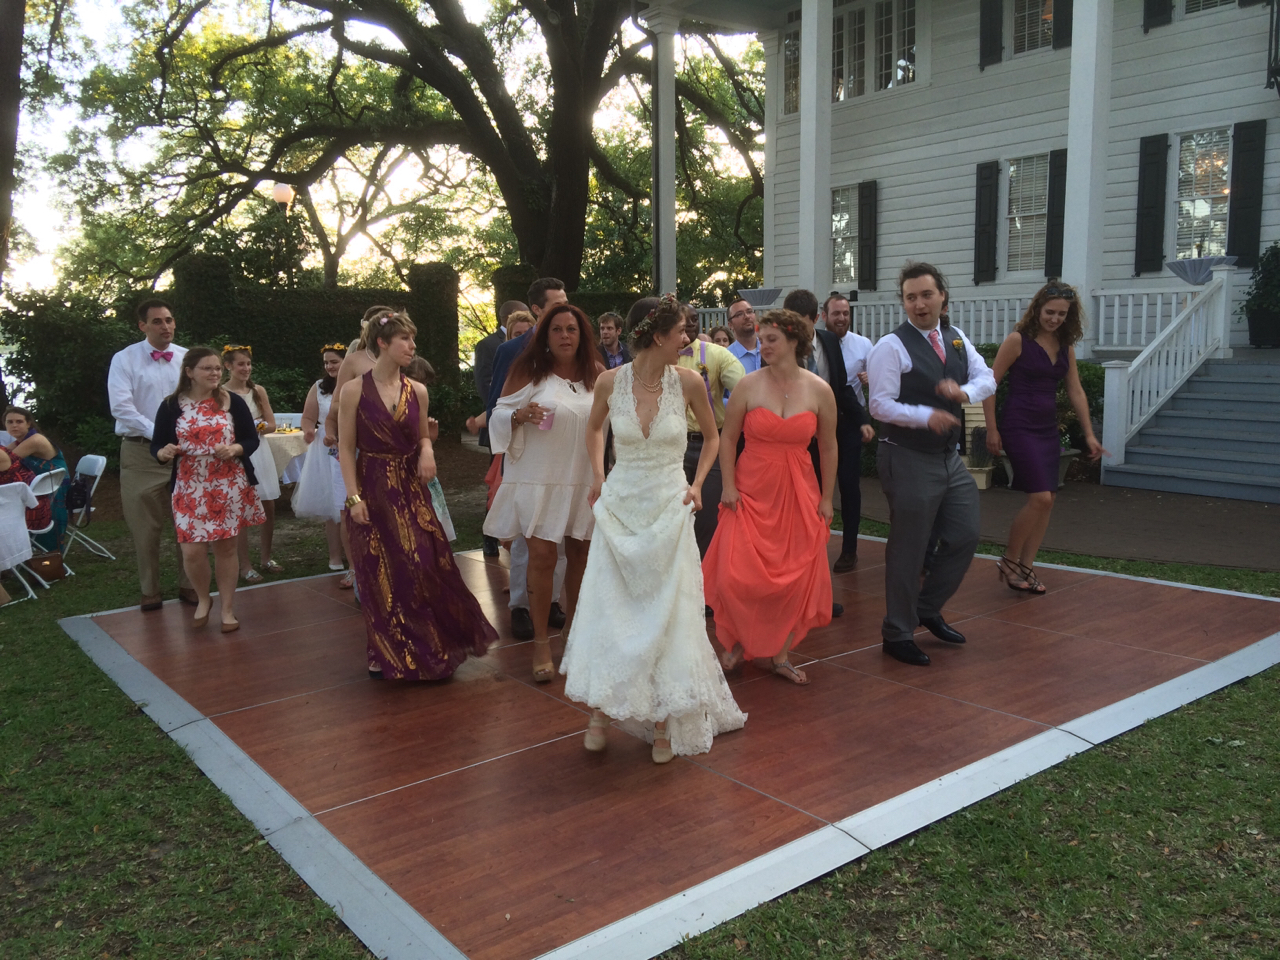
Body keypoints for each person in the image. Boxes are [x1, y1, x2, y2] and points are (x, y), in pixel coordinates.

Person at [561, 293, 746, 762]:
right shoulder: (608, 382)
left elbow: (712, 436)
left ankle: (665, 716)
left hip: (669, 502)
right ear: (656, 334)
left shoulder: (688, 382)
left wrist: (699, 483)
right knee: (614, 607)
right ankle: (601, 710)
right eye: (681, 331)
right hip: (620, 504)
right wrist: (599, 475)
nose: (688, 338)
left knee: (667, 611)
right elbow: (594, 429)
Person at [338, 310, 496, 679]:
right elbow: (347, 448)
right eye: (404, 340)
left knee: (424, 563)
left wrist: (427, 449)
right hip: (372, 486)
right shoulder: (354, 390)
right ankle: (385, 648)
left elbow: (423, 434)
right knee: (380, 570)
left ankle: (429, 643)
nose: (412, 347)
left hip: (410, 488)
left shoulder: (417, 391)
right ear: (382, 343)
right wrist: (353, 498)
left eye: (413, 340)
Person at [868, 262, 996, 667]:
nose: (919, 304)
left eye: (926, 295)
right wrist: (927, 415)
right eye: (910, 297)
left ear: (943, 297)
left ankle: (927, 607)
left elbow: (988, 378)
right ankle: (897, 632)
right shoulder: (891, 346)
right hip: (907, 456)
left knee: (965, 535)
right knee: (910, 548)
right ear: (903, 302)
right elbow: (879, 404)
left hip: (948, 458)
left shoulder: (956, 339)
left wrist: (964, 392)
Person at [703, 309, 837, 685]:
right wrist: (728, 485)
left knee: (794, 574)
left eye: (771, 340)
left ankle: (780, 654)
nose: (763, 347)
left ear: (794, 341)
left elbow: (828, 446)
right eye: (761, 340)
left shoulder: (819, 390)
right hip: (751, 487)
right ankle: (739, 640)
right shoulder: (748, 385)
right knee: (736, 573)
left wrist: (827, 498)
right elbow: (728, 438)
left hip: (798, 488)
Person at [486, 303, 599, 681]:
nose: (565, 335)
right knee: (542, 556)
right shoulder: (528, 372)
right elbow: (497, 416)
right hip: (539, 478)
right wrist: (520, 416)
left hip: (581, 477)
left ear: (582, 335)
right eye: (557, 329)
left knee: (581, 553)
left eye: (572, 329)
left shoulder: (595, 375)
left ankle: (574, 634)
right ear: (545, 337)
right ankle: (539, 642)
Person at [982, 280, 1107, 594]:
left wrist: (1089, 434)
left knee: (1048, 501)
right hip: (1018, 426)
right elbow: (989, 385)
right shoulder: (1017, 341)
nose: (1055, 318)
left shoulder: (1066, 346)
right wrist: (992, 429)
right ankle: (1010, 561)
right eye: (1050, 311)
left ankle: (1026, 566)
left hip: (1046, 430)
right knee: (1039, 498)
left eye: (1062, 314)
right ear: (1037, 309)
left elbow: (1075, 390)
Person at [151, 347, 265, 632]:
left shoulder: (232, 402)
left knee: (226, 548)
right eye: (207, 368)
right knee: (191, 551)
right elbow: (157, 445)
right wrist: (164, 452)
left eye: (217, 368)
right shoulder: (170, 406)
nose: (215, 373)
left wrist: (236, 448)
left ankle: (227, 608)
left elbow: (251, 440)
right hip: (189, 485)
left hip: (227, 483)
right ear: (189, 372)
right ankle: (204, 599)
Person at [485, 278, 570, 640]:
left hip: (566, 456)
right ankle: (521, 604)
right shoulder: (513, 350)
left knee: (562, 534)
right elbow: (494, 406)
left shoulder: (575, 346)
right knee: (527, 534)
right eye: (556, 304)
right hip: (527, 454)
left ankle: (550, 599)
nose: (565, 310)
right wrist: (520, 416)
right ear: (537, 310)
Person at [107, 298, 195, 611]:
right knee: (145, 528)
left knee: (188, 523)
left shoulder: (187, 358)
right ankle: (150, 590)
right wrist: (159, 436)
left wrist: (186, 437)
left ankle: (190, 584)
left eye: (169, 320)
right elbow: (121, 408)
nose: (165, 326)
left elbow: (197, 403)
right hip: (140, 454)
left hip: (184, 454)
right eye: (157, 321)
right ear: (142, 325)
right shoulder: (124, 359)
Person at [784, 290, 876, 577]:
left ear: (814, 320)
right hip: (802, 437)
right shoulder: (782, 347)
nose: (793, 330)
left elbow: (841, 387)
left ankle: (849, 549)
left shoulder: (830, 342)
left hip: (840, 429)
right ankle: (810, 557)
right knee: (810, 496)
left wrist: (862, 419)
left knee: (849, 487)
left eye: (799, 323)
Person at [677, 307, 746, 561]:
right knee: (674, 514)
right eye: (685, 320)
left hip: (712, 443)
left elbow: (743, 392)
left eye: (695, 319)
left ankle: (704, 584)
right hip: (675, 445)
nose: (691, 324)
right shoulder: (661, 357)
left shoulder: (717, 355)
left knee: (708, 517)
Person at [222, 346, 282, 582]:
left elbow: (272, 424)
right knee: (242, 508)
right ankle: (244, 564)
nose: (246, 368)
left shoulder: (257, 391)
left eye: (248, 364)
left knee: (267, 504)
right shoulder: (221, 392)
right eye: (240, 364)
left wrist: (258, 426)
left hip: (260, 451)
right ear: (228, 366)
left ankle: (266, 557)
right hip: (239, 452)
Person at [295, 344, 353, 586]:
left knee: (347, 502)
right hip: (326, 447)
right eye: (326, 362)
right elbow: (309, 416)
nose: (330, 366)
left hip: (349, 444)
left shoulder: (354, 384)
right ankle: (335, 556)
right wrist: (309, 431)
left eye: (334, 361)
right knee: (332, 502)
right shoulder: (319, 387)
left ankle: (355, 559)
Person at [404, 356, 457, 542]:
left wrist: (429, 438)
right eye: (418, 380)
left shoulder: (420, 402)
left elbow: (422, 443)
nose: (422, 386)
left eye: (425, 382)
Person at [1, 407, 69, 550]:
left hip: (54, 490)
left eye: (19, 421)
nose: (14, 425)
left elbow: (6, 462)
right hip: (39, 488)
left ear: (29, 424)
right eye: (10, 422)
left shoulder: (35, 440)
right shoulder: (19, 442)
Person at [725, 299, 762, 375]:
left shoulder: (770, 349)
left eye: (749, 312)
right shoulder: (726, 358)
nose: (747, 316)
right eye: (739, 314)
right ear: (730, 325)